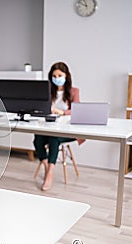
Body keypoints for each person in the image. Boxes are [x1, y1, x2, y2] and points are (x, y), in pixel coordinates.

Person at [33, 62, 82, 191]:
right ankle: (46, 165)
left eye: (60, 75)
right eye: (54, 75)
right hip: (49, 126)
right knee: (38, 138)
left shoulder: (74, 91)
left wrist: (62, 112)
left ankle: (49, 174)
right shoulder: (48, 91)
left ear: (66, 76)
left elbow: (78, 110)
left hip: (68, 130)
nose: (57, 78)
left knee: (54, 139)